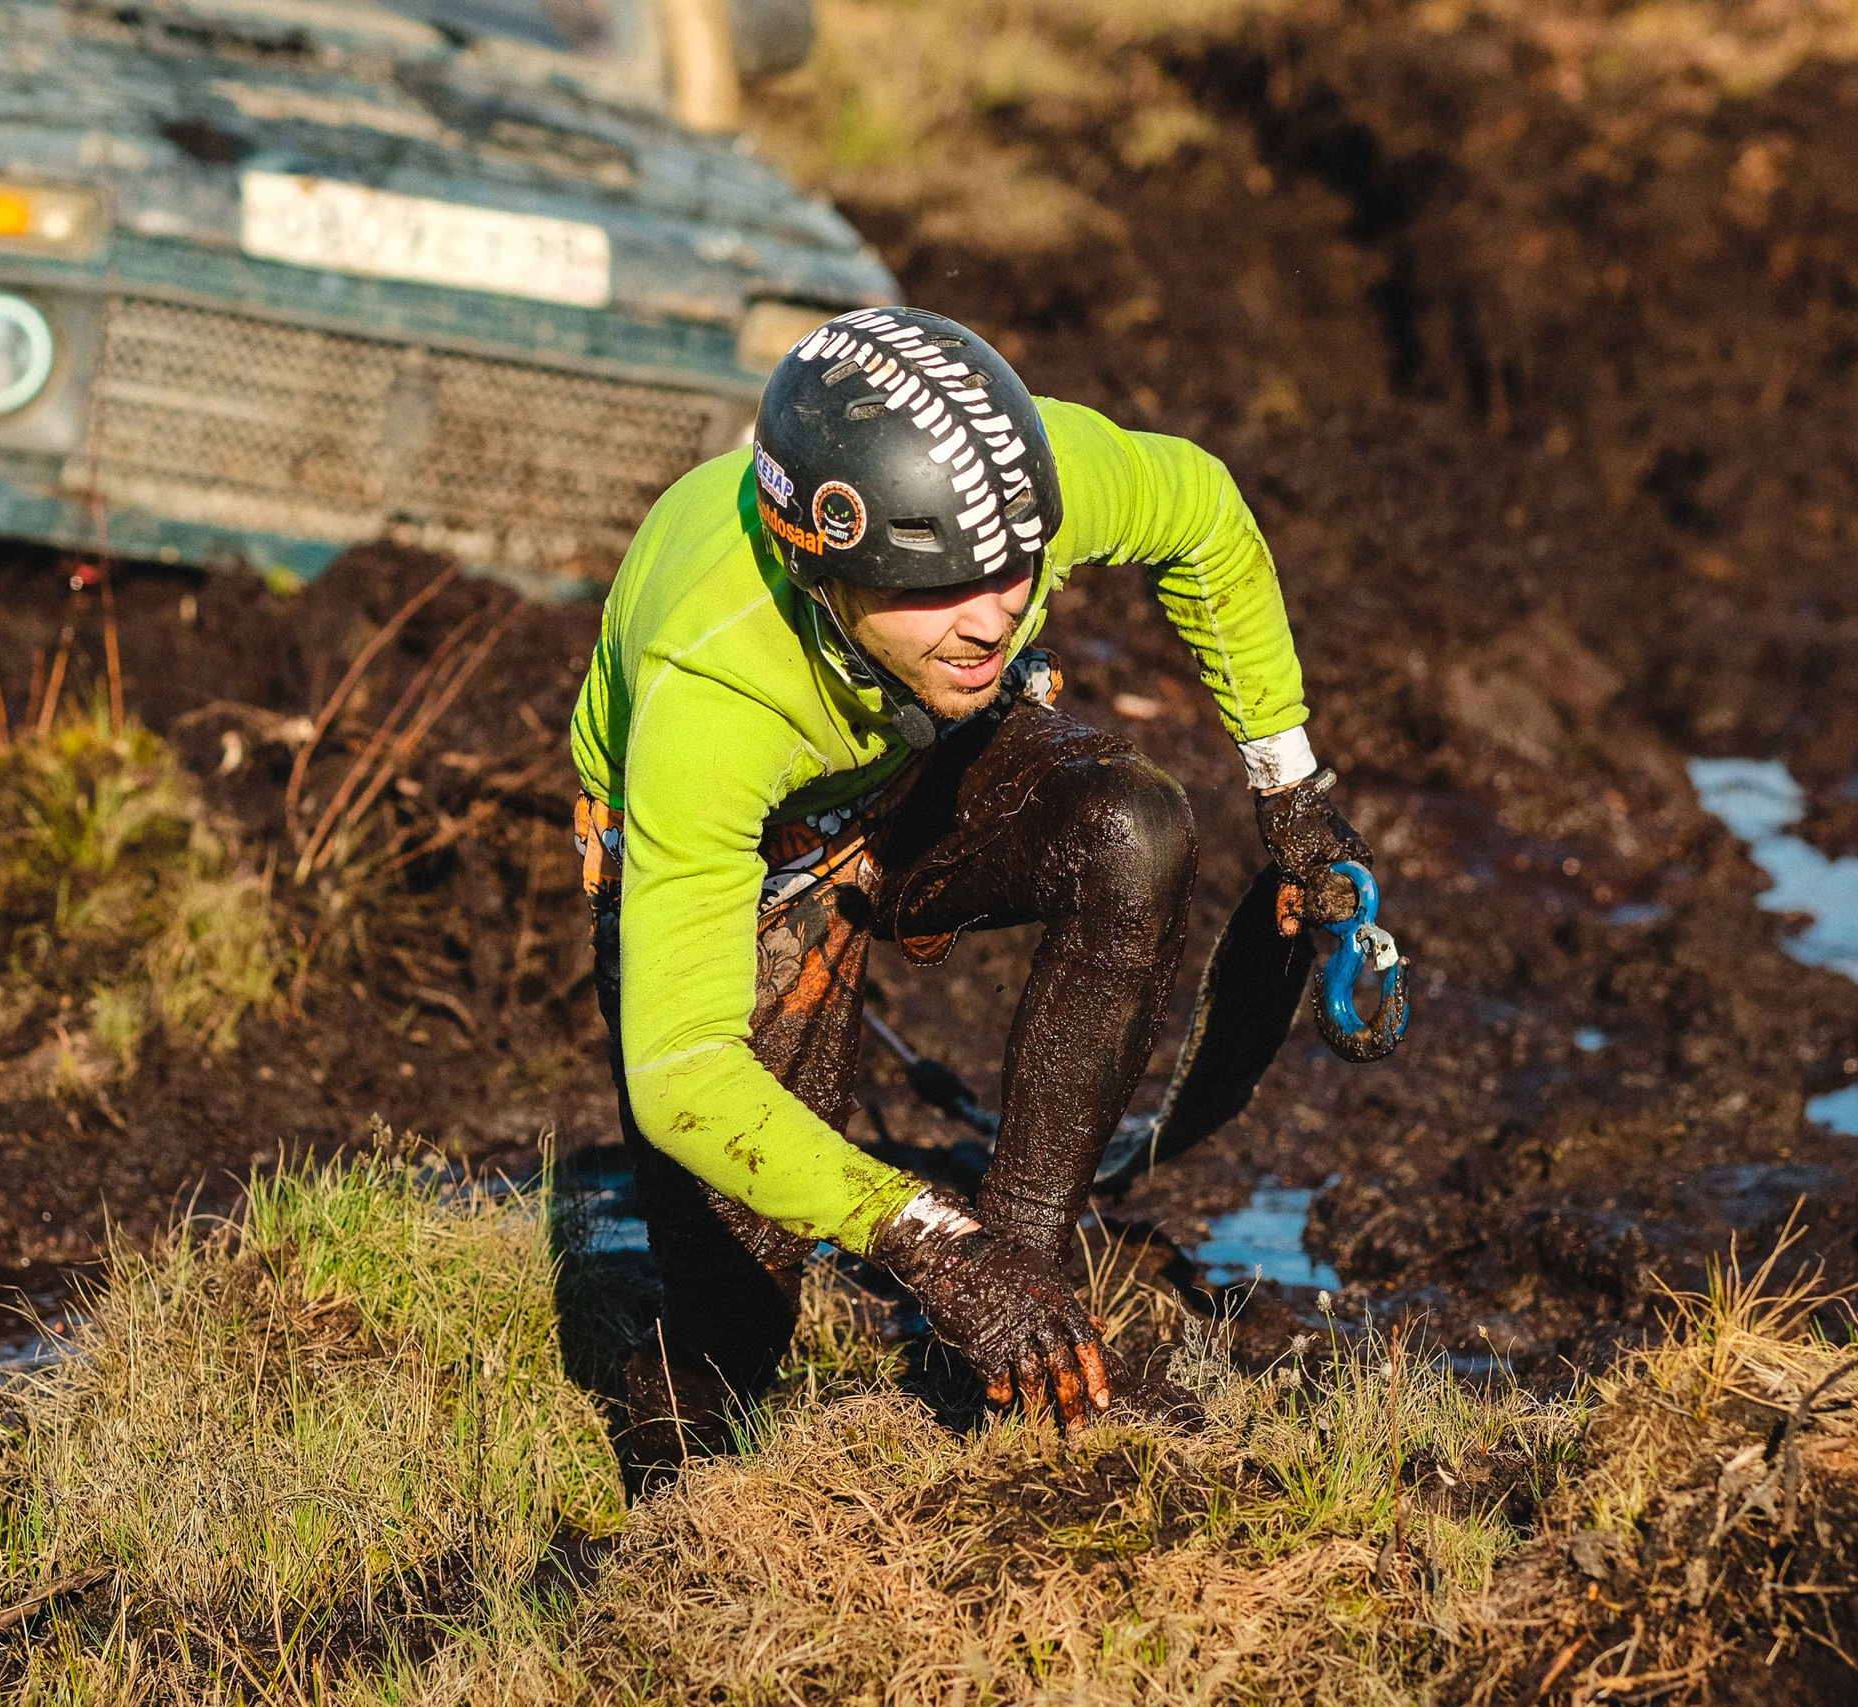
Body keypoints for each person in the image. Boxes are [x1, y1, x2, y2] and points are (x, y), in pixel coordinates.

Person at [568, 307, 1373, 1464]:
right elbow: (679, 1070)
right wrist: (923, 1238)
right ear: (826, 569)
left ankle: (1025, 1310)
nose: (994, 610)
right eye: (941, 584)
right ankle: (668, 1507)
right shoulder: (709, 695)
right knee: (734, 1324)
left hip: (911, 736)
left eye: (1012, 570)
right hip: (758, 841)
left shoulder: (1004, 482)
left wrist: (1287, 787)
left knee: (1129, 831)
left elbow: (1200, 508)